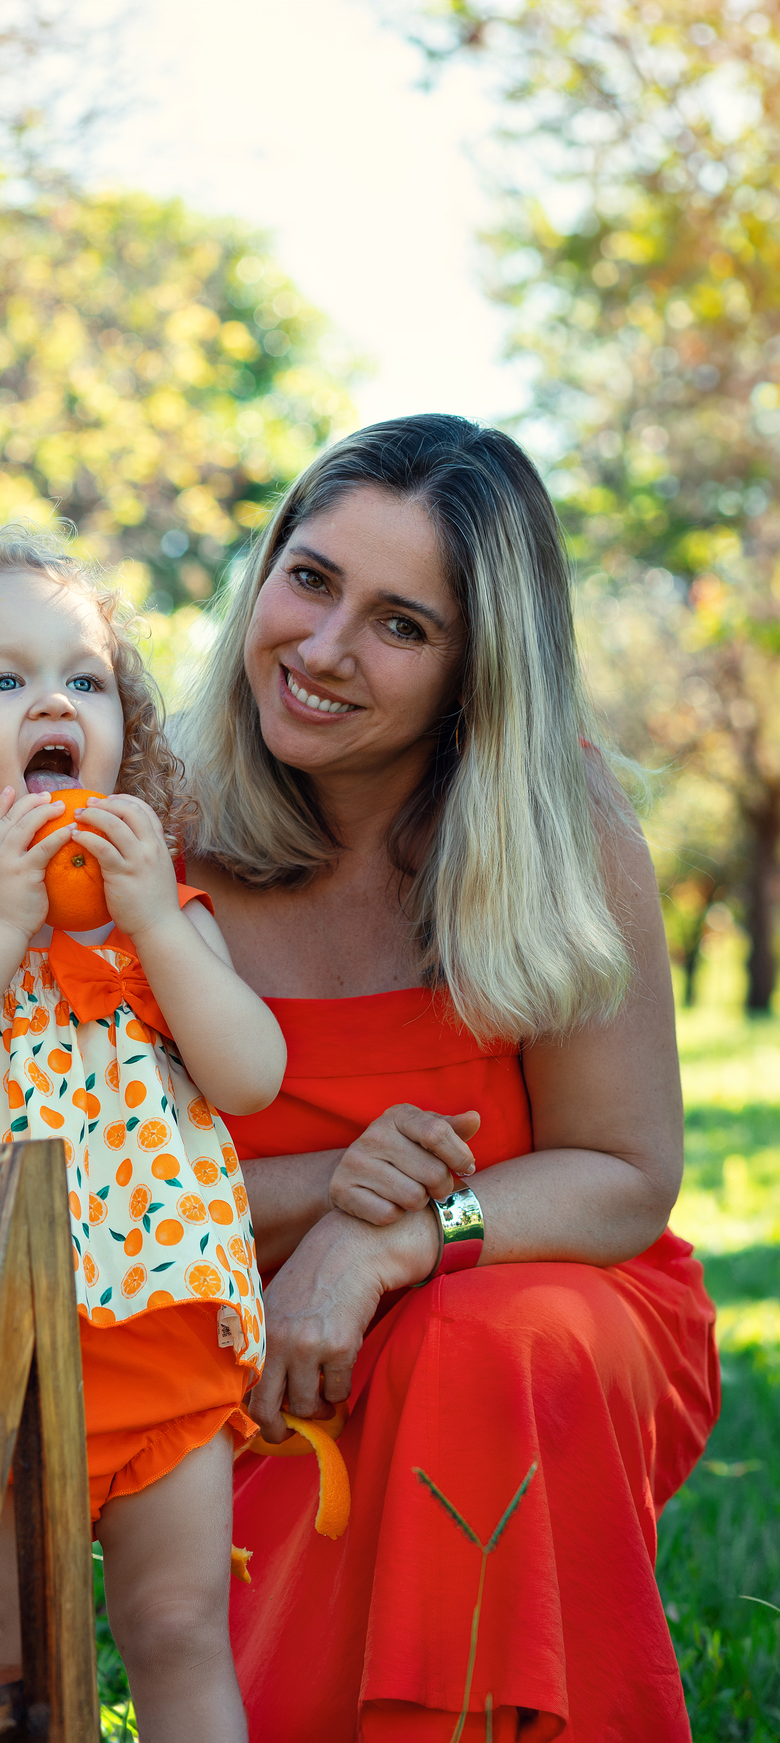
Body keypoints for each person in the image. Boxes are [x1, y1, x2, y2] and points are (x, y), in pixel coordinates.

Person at [176, 415, 719, 1743]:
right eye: (310, 579)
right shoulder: (150, 839)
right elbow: (79, 1196)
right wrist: (331, 1193)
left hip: (542, 1308)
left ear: (477, 672)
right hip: (241, 1330)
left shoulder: (558, 828)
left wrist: (392, 1238)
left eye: (400, 625)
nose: (323, 649)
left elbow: (622, 1175)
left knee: (485, 1340)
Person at [0, 524, 285, 1743]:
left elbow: (251, 1077)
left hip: (155, 1324)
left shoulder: (158, 915)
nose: (54, 702)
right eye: (4, 680)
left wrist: (160, 926)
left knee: (178, 1624)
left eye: (86, 678)